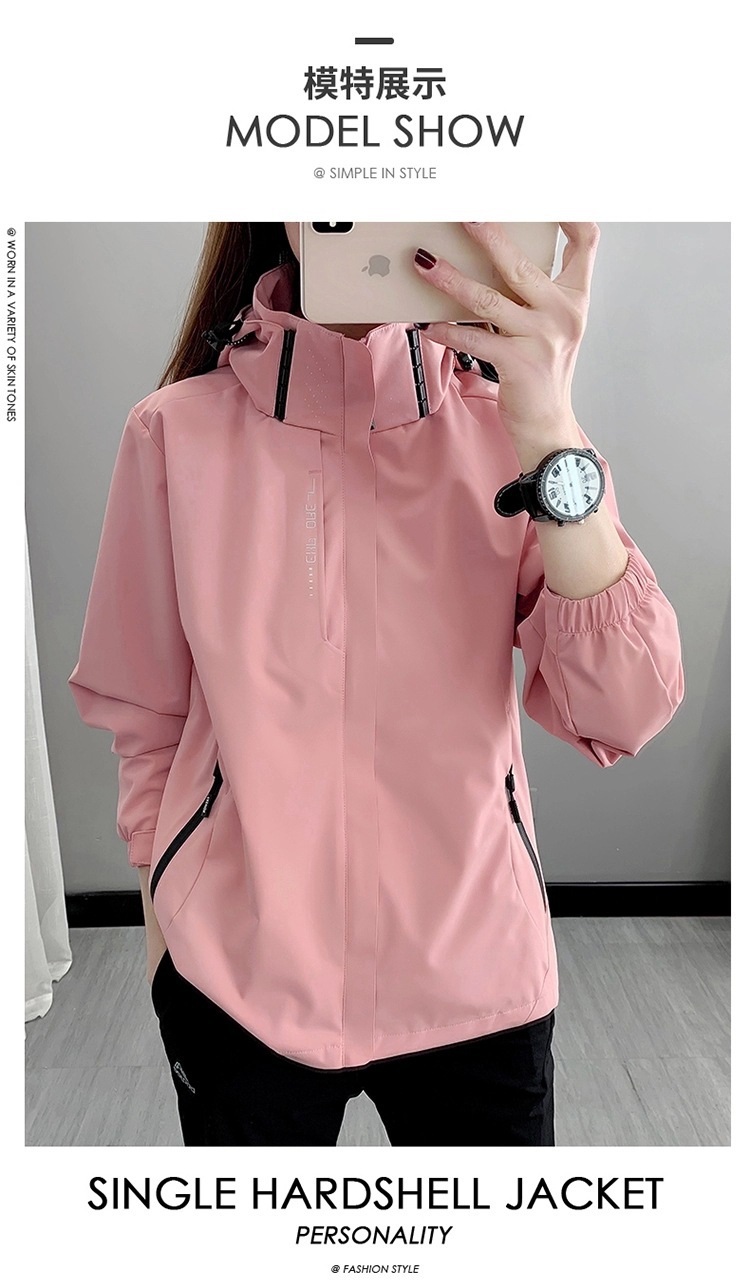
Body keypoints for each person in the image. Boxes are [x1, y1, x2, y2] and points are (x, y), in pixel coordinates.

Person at [68, 222, 684, 1147]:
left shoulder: (514, 438)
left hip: (477, 979)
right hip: (235, 982)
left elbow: (624, 708)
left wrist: (551, 427)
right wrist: (169, 928)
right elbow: (145, 714)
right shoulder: (172, 433)